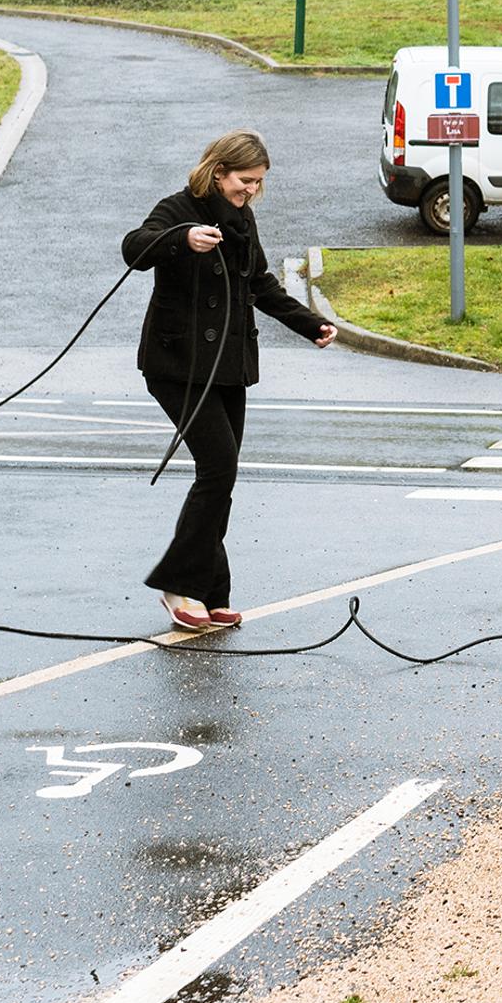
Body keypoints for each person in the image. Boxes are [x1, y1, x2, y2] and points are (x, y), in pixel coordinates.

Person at [123, 130, 335, 634]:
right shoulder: (178, 207)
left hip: (227, 366)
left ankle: (212, 591)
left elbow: (258, 281)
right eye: (245, 181)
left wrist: (310, 324)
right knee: (218, 468)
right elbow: (134, 249)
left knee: (223, 474)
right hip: (178, 365)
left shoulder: (243, 216)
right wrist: (182, 239)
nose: (252, 191)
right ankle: (179, 585)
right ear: (219, 172)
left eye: (259, 183)